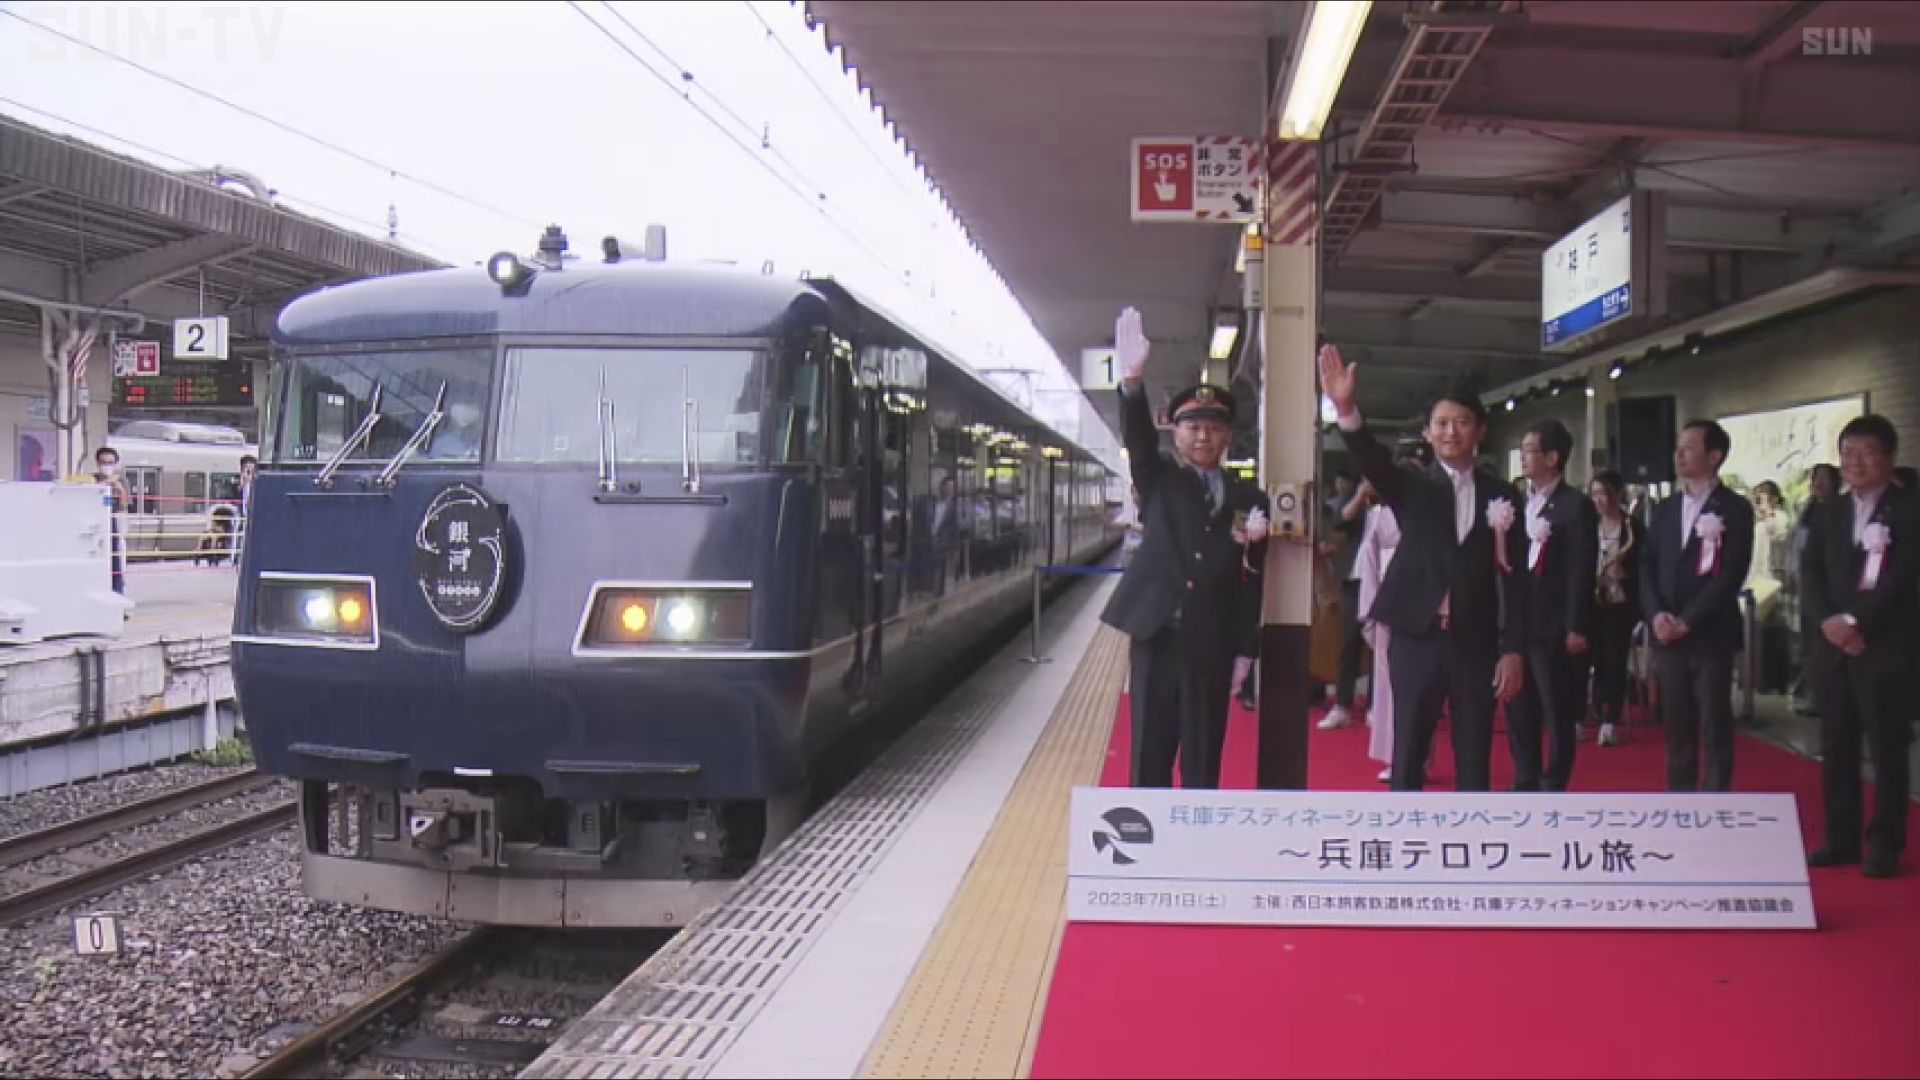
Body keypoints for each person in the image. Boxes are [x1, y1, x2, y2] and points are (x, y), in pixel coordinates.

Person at [1318, 345, 1527, 792]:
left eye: (1462, 422)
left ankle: (1471, 830)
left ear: (1480, 431)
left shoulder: (1503, 495)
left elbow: (1517, 580)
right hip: (1417, 635)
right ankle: (1404, 829)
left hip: (1476, 640)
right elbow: (1372, 458)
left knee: (1475, 752)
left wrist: (1512, 648)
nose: (1451, 432)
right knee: (1409, 749)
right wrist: (1346, 408)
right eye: (1442, 423)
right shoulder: (1411, 483)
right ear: (1429, 433)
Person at [1101, 308, 1270, 790]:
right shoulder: (1159, 480)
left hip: (1212, 642)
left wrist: (1246, 650)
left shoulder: (1250, 500)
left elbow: (1251, 582)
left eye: (1213, 428)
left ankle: (1196, 833)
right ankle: (1147, 834)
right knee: (1149, 756)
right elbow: (1137, 440)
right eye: (1192, 427)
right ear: (1174, 433)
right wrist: (1132, 382)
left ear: (1228, 436)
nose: (1202, 436)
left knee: (1202, 758)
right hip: (1158, 635)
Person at [1802, 416, 1914, 879]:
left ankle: (1885, 843)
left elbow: (1905, 578)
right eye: (1847, 453)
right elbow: (1810, 573)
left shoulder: (1910, 509)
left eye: (1866, 452)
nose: (1855, 462)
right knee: (1837, 746)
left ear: (1889, 456)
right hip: (1833, 649)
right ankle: (1841, 838)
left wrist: (1856, 622)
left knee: (1887, 748)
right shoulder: (1828, 512)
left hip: (1883, 646)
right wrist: (1829, 623)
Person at [1640, 420, 1756, 792]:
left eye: (1689, 447)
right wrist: (1656, 614)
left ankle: (1716, 800)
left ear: (1714, 456)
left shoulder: (1735, 508)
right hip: (1667, 635)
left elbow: (1731, 573)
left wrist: (1688, 621)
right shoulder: (1666, 508)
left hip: (1709, 634)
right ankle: (1681, 800)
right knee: (1677, 725)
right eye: (1679, 446)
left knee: (1714, 724)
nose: (1680, 454)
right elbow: (1647, 563)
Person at [1507, 418, 1599, 792]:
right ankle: (1524, 774)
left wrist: (1576, 625)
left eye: (1530, 450)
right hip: (1518, 621)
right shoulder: (1517, 501)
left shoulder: (1575, 505)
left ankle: (1554, 778)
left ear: (1552, 457)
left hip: (1553, 622)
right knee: (1517, 703)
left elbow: (1581, 568)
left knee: (1555, 706)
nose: (1523, 457)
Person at [1587, 471, 1641, 747]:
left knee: (1614, 660)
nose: (1601, 500)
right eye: (1595, 494)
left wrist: (1626, 574)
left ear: (1618, 494)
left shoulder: (1633, 528)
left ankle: (1610, 720)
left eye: (1605, 493)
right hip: (1590, 603)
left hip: (1619, 605)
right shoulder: (1588, 525)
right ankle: (1590, 710)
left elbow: (1645, 567)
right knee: (1589, 658)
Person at [94, 446, 129, 595]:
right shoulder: (92, 479)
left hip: (115, 526)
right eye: (103, 462)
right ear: (97, 463)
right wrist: (106, 483)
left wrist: (120, 490)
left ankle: (118, 592)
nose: (107, 466)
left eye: (110, 462)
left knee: (117, 563)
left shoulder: (121, 481)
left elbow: (124, 507)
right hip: (97, 528)